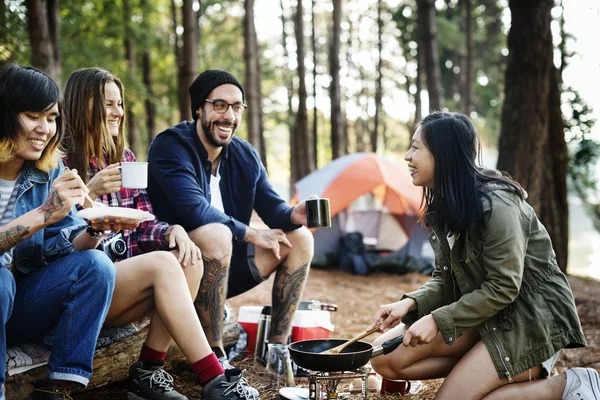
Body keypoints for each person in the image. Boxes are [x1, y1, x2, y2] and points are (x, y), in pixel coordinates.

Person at [367, 111, 599, 399]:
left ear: (444, 153)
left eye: (416, 147)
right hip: (484, 316)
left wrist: (438, 320)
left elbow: (504, 287)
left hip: (528, 323)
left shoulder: (498, 205)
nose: (407, 156)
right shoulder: (447, 206)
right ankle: (478, 374)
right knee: (383, 359)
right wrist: (410, 303)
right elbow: (445, 280)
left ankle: (568, 385)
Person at [61, 67, 258, 400]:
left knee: (188, 258)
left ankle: (148, 372)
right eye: (108, 104)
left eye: (120, 103)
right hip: (81, 290)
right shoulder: (60, 164)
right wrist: (87, 193)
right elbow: (54, 246)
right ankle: (214, 378)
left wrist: (172, 231)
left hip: (121, 288)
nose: (117, 112)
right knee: (164, 266)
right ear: (82, 105)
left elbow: (143, 220)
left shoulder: (124, 159)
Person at [146, 70, 314, 370]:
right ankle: (215, 355)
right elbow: (194, 211)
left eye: (237, 107)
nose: (229, 116)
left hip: (224, 268)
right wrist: (251, 234)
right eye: (220, 105)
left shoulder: (243, 154)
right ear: (200, 108)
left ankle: (277, 350)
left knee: (300, 239)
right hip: (178, 269)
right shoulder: (171, 146)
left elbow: (272, 206)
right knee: (215, 235)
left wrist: (293, 214)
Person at [0, 64, 117, 400]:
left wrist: (94, 228)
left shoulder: (48, 171)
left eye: (51, 118)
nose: (44, 129)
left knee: (96, 265)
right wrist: (43, 213)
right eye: (32, 115)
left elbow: (64, 247)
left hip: (21, 306)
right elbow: (43, 218)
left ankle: (57, 388)